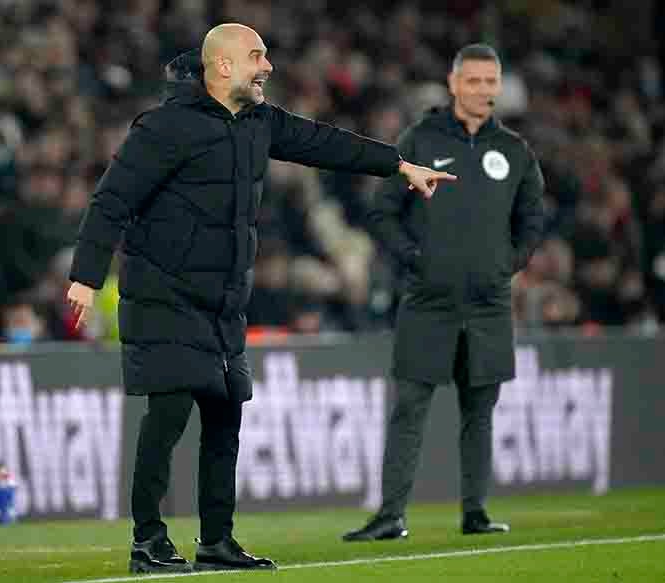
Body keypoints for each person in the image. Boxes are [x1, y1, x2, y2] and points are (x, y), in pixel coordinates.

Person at [66, 23, 455, 574]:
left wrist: (397, 163)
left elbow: (325, 143)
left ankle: (215, 541)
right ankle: (147, 541)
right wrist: (86, 275)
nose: (267, 66)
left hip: (223, 301)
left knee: (225, 417)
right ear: (223, 66)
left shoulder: (257, 122)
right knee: (169, 415)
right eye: (257, 56)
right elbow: (112, 200)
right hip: (163, 295)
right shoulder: (164, 126)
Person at [342, 43, 545, 543]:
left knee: (481, 408)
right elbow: (381, 210)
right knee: (409, 404)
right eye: (472, 81)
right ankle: (391, 515)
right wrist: (415, 259)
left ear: (498, 87)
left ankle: (475, 511)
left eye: (490, 82)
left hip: (488, 303)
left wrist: (508, 264)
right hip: (428, 301)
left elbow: (533, 219)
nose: (482, 90)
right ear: (454, 84)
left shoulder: (514, 151)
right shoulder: (419, 138)